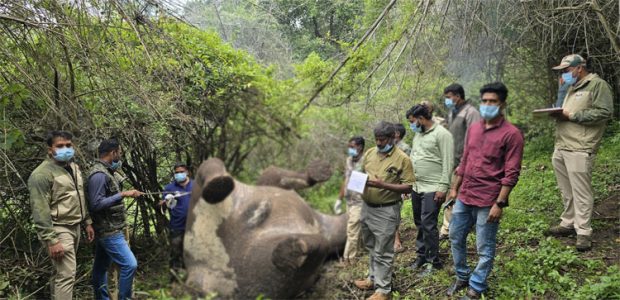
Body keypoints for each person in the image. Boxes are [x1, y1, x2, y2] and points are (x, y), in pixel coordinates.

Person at [445, 82, 523, 299]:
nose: (487, 105)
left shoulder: (512, 134)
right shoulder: (475, 128)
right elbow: (465, 159)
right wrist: (455, 187)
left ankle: (476, 287)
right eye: (485, 101)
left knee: (484, 246)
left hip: (488, 198)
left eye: (493, 101)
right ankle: (462, 275)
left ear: (502, 104)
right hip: (466, 194)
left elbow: (512, 172)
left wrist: (500, 203)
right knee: (455, 236)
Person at [547, 54, 614, 251]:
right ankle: (568, 222)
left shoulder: (597, 85)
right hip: (562, 145)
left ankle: (583, 231)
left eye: (566, 71)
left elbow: (605, 112)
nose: (564, 75)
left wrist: (574, 115)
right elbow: (562, 109)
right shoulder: (569, 86)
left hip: (580, 147)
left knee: (581, 192)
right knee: (566, 190)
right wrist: (560, 95)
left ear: (579, 68)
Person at [28, 130, 95, 300]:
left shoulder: (73, 167)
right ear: (50, 149)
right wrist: (52, 240)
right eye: (60, 146)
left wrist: (87, 222)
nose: (65, 149)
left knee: (59, 272)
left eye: (68, 145)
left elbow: (79, 196)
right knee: (67, 274)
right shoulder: (41, 174)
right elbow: (39, 209)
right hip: (58, 228)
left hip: (75, 226)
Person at [353, 121, 415, 300]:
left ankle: (383, 290)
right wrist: (357, 185)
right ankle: (372, 279)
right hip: (367, 207)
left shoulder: (402, 158)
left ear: (392, 138)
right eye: (376, 139)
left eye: (382, 139)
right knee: (371, 246)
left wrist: (383, 185)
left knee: (384, 250)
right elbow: (359, 174)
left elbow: (409, 187)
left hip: (386, 210)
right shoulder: (370, 153)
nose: (379, 143)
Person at [87, 139, 143, 300]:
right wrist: (123, 194)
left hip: (110, 229)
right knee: (129, 264)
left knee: (100, 269)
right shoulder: (98, 175)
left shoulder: (107, 172)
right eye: (119, 153)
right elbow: (96, 204)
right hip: (109, 231)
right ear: (113, 153)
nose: (120, 156)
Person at [406, 104, 454, 277]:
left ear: (421, 118)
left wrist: (442, 188)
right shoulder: (418, 135)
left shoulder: (442, 134)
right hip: (417, 186)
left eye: (412, 121)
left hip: (433, 187)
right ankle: (421, 257)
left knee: (428, 224)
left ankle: (434, 261)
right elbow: (414, 158)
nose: (411, 125)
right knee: (419, 222)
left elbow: (448, 162)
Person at [440, 84, 481, 240]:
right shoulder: (452, 112)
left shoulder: (471, 113)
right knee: (452, 194)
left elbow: (475, 140)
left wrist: (467, 161)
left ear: (458, 96)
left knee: (461, 194)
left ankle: (454, 228)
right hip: (452, 160)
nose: (447, 100)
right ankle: (450, 227)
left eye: (449, 97)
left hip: (466, 162)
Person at [337, 136, 366, 266]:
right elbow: (345, 178)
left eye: (352, 147)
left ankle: (349, 259)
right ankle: (359, 253)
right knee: (354, 228)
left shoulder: (366, 161)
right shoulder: (349, 160)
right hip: (349, 200)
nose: (350, 150)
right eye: (349, 147)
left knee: (352, 229)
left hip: (360, 200)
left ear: (360, 147)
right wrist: (339, 198)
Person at [161, 163, 193, 274]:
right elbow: (161, 206)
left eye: (181, 172)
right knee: (175, 254)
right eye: (177, 172)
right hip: (176, 226)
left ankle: (192, 278)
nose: (179, 174)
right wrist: (166, 201)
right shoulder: (169, 188)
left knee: (193, 254)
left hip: (194, 227)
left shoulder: (196, 186)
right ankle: (174, 281)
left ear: (187, 172)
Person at [392, 123, 409, 253]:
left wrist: (405, 187)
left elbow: (408, 168)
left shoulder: (405, 149)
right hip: (389, 184)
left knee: (395, 211)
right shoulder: (389, 148)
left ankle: (397, 240)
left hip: (399, 185)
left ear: (397, 134)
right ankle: (394, 238)